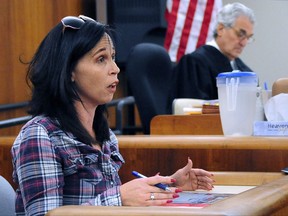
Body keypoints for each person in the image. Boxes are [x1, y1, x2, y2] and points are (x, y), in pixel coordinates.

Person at [11, 15, 214, 215]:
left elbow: (101, 201)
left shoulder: (104, 133)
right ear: (69, 70)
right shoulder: (39, 135)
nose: (115, 69)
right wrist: (120, 198)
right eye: (101, 59)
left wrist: (168, 185)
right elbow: (45, 214)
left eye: (113, 58)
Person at [167, 2, 256, 110]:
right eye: (240, 34)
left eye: (248, 37)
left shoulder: (244, 70)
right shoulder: (195, 63)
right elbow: (191, 114)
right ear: (220, 29)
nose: (244, 43)